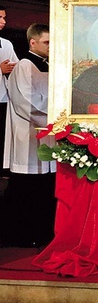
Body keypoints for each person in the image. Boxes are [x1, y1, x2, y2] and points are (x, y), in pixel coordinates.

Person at [4, 24, 54, 247]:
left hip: (48, 134)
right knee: (28, 186)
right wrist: (54, 120)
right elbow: (27, 101)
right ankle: (21, 234)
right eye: (47, 43)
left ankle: (42, 232)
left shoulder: (49, 65)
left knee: (44, 186)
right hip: (30, 134)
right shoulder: (24, 65)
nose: (51, 47)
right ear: (32, 42)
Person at [0, 7, 19, 173]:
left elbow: (16, 67)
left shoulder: (6, 44)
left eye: (4, 18)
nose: (3, 22)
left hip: (3, 98)